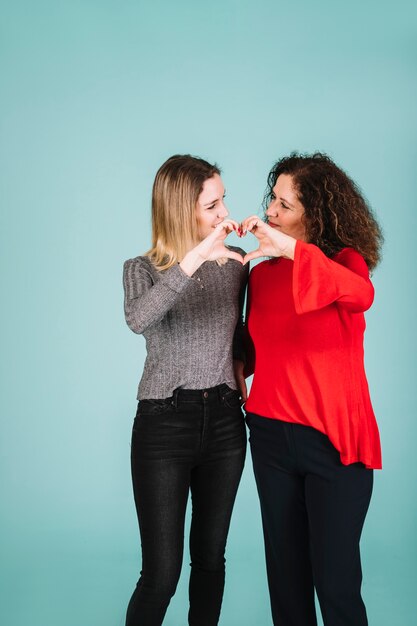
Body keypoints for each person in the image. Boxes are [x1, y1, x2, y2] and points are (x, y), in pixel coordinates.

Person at [241, 152, 383, 626]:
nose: (271, 213)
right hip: (270, 438)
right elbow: (253, 348)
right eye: (271, 201)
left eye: (284, 205)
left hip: (334, 443)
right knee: (286, 583)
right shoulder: (259, 276)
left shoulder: (344, 264)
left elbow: (362, 296)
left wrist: (290, 249)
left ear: (315, 213)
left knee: (336, 583)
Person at [122, 154, 248, 626]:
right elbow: (139, 319)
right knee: (161, 574)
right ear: (181, 210)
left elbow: (240, 340)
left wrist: (272, 263)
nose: (223, 214)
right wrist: (195, 258)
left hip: (224, 423)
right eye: (211, 206)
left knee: (211, 561)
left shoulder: (236, 265)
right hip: (163, 425)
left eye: (223, 202)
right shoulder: (142, 268)